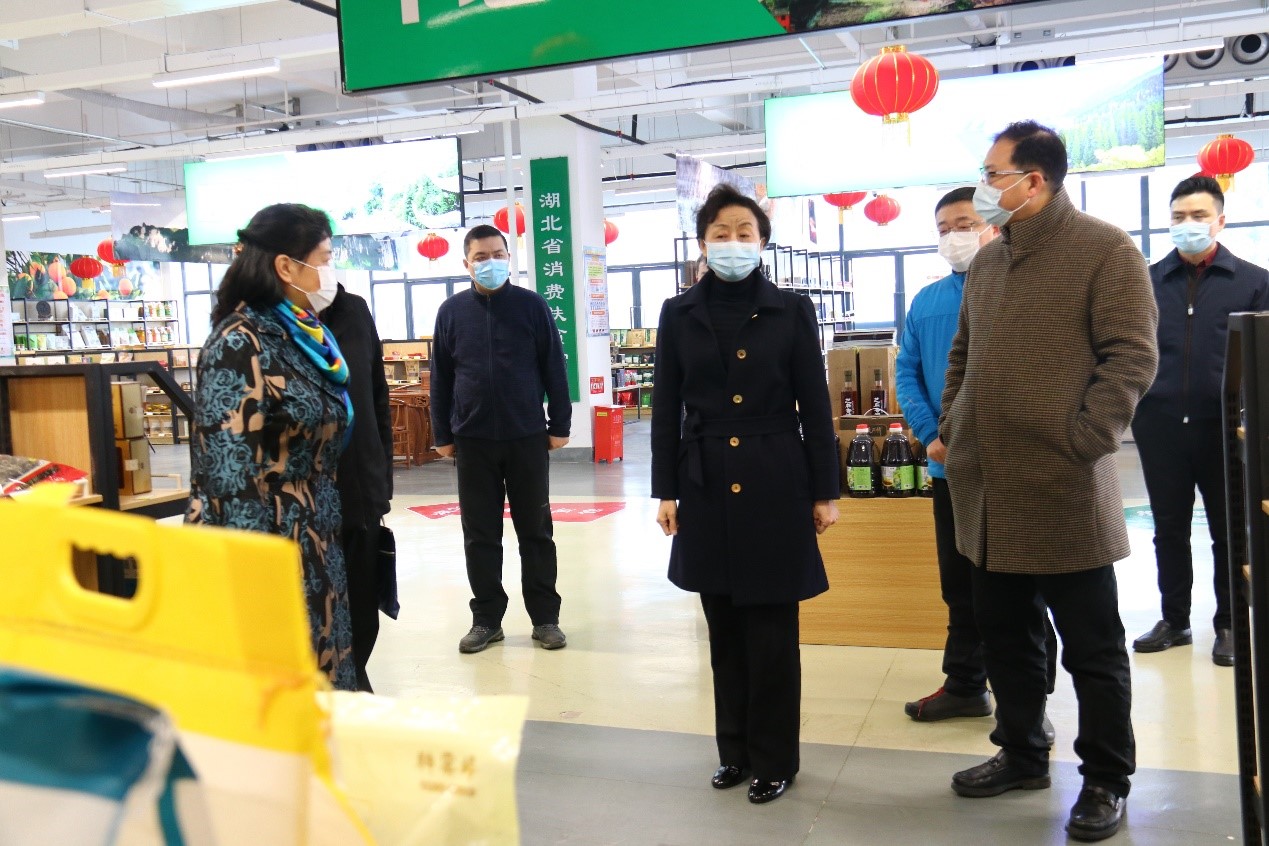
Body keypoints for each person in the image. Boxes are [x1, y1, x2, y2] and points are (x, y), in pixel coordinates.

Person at [939, 122, 1157, 842]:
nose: (983, 187)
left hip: (1064, 485)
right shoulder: (990, 261)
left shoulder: (1104, 250)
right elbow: (963, 355)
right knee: (1007, 639)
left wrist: (1084, 439)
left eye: (992, 174)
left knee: (1093, 647)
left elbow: (1131, 356)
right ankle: (1023, 752)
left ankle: (1105, 778)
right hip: (987, 488)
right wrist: (956, 424)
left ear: (1033, 181)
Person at [651, 184, 840, 806]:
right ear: (703, 242)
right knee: (724, 630)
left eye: (744, 233)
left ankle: (775, 759)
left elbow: (814, 405)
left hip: (776, 478)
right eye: (721, 233)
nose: (732, 243)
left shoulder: (792, 310)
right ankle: (733, 751)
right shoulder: (678, 313)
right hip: (704, 481)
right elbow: (666, 407)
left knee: (772, 632)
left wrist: (825, 490)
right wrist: (665, 490)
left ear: (762, 242)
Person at [896, 187, 1058, 740]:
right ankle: (966, 683)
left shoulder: (1023, 286)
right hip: (950, 468)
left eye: (964, 224)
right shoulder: (926, 302)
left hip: (1012, 467)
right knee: (960, 585)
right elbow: (906, 372)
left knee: (1022, 588)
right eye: (943, 228)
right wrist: (931, 434)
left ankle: (1031, 704)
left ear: (991, 223)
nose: (954, 236)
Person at [186, 203, 357, 691]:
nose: (329, 273)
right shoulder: (239, 342)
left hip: (315, 536)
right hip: (267, 547)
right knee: (280, 686)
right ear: (286, 266)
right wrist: (254, 580)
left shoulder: (299, 334)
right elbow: (227, 474)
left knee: (322, 681)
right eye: (324, 260)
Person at [1131, 176, 1269, 667]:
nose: (1187, 224)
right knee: (1168, 528)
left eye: (1198, 215)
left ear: (1220, 220)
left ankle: (1229, 622)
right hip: (1160, 423)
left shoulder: (1254, 282)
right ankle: (1175, 620)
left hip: (1225, 426)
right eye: (1178, 217)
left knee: (1228, 529)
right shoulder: (1145, 282)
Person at [430, 224, 572, 654]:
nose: (489, 262)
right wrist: (442, 433)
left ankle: (545, 618)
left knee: (536, 532)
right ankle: (487, 619)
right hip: (472, 440)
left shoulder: (532, 306)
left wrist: (560, 424)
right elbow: (441, 377)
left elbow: (554, 366)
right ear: (466, 263)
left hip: (526, 435)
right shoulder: (451, 312)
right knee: (480, 536)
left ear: (509, 258)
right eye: (480, 257)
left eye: (497, 254)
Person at [321, 282, 394, 692]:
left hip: (362, 488)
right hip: (305, 501)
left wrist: (382, 480)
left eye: (328, 256)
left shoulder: (354, 310)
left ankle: (354, 681)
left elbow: (377, 395)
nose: (323, 269)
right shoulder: (265, 323)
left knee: (363, 608)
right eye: (316, 257)